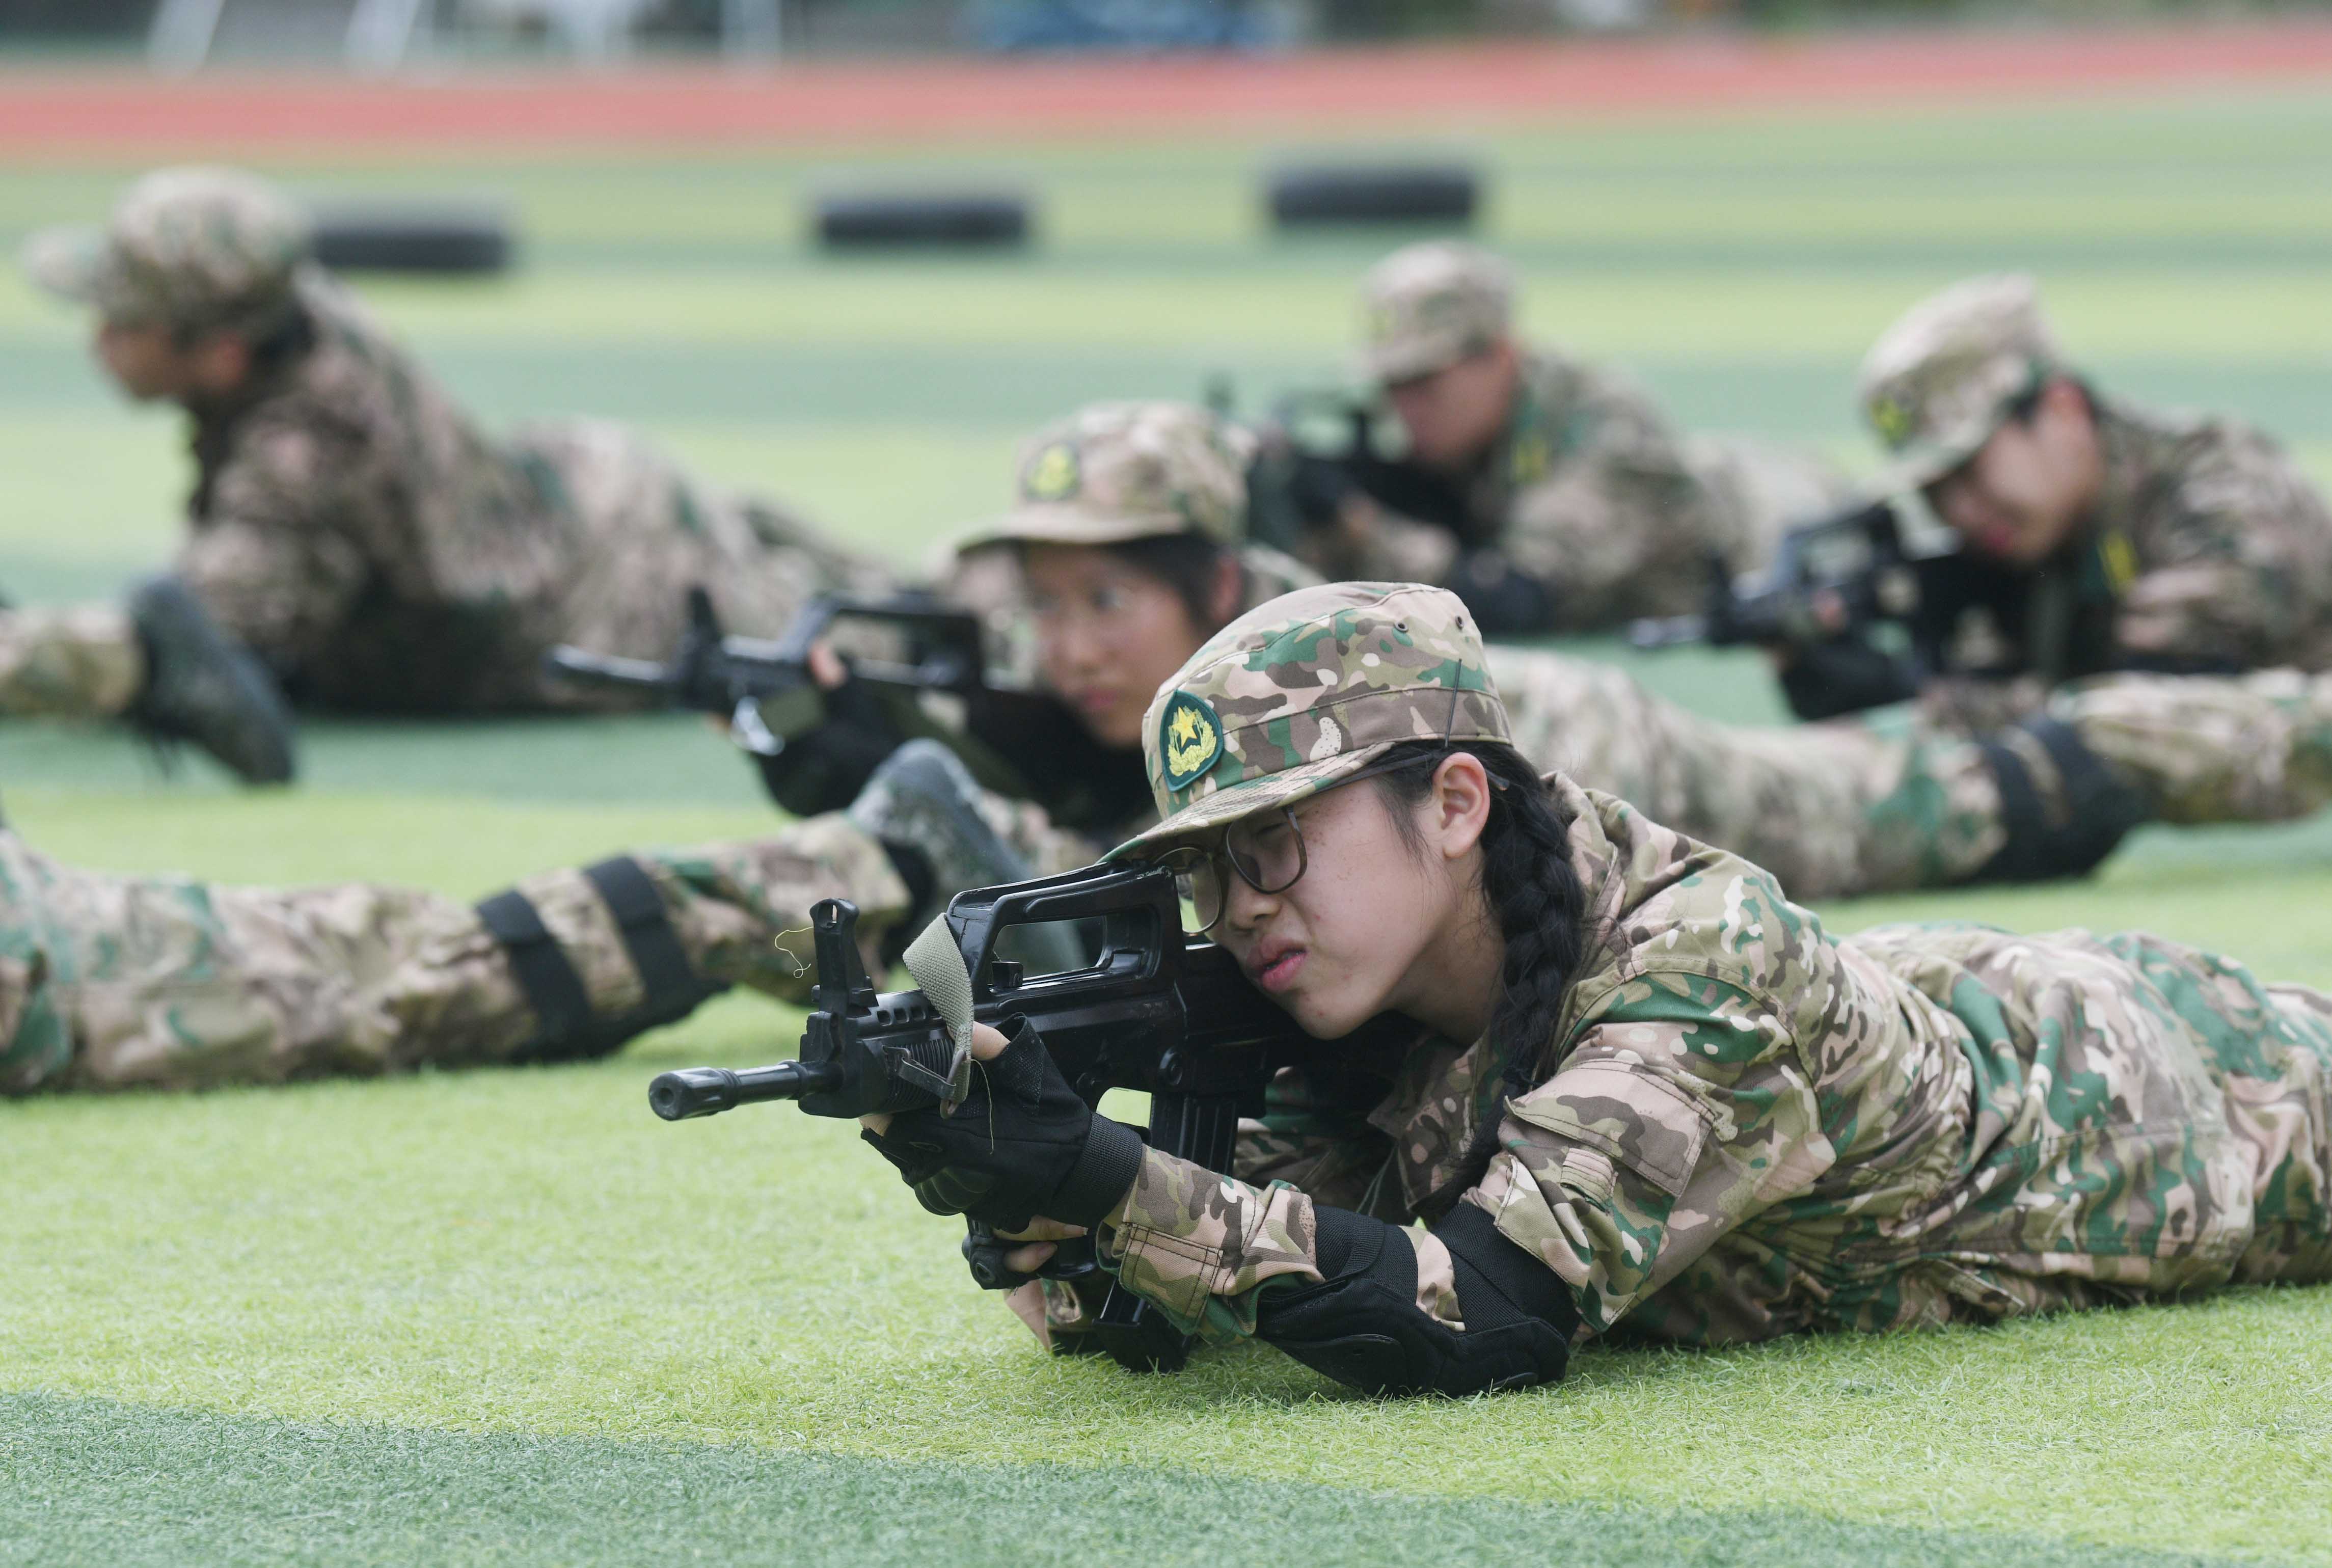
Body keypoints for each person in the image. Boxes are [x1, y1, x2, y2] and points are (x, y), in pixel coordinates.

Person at [853, 580, 2332, 1396]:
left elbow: (1480, 1318)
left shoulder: (1698, 969)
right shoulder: (1373, 1004)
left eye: (1276, 847)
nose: (1239, 908)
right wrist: (1024, 1205)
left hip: (2201, 1098)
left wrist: (1107, 1177)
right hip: (1944, 1007)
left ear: (1450, 805)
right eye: (1209, 871)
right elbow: (1213, 1292)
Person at [8, 165, 881, 733]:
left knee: (870, 640)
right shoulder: (289, 313)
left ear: (220, 353)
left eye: (126, 321)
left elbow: (181, 641)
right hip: (580, 490)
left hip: (608, 606)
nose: (100, 338)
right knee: (800, 556)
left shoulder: (307, 457)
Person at [1277, 239, 1849, 636]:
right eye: (1392, 385)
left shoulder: (1604, 434)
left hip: (1789, 526)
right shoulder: (1471, 435)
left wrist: (1359, 522)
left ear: (1500, 355)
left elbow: (1513, 600)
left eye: (1425, 380)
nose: (1405, 408)